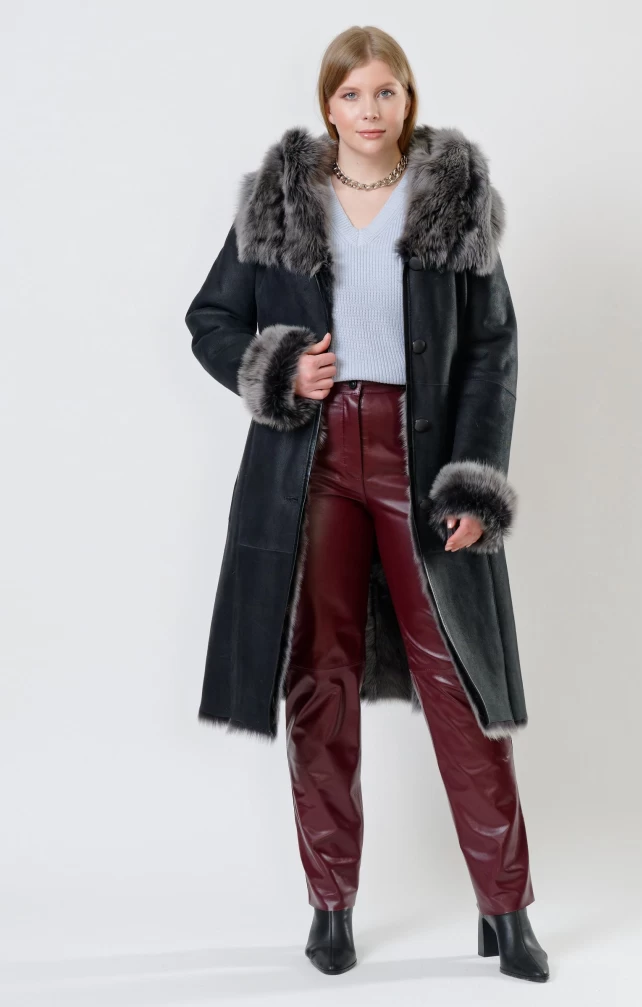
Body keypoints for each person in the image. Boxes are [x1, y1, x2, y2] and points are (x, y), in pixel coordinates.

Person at [185, 24, 549, 983]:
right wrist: (276, 368)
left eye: (386, 91)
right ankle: (331, 904)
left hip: (417, 459)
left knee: (460, 681)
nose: (370, 110)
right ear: (328, 106)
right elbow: (209, 318)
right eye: (352, 94)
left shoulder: (451, 199)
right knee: (319, 675)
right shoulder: (280, 199)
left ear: (408, 99)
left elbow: (493, 349)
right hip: (309, 464)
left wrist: (473, 479)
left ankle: (507, 908)